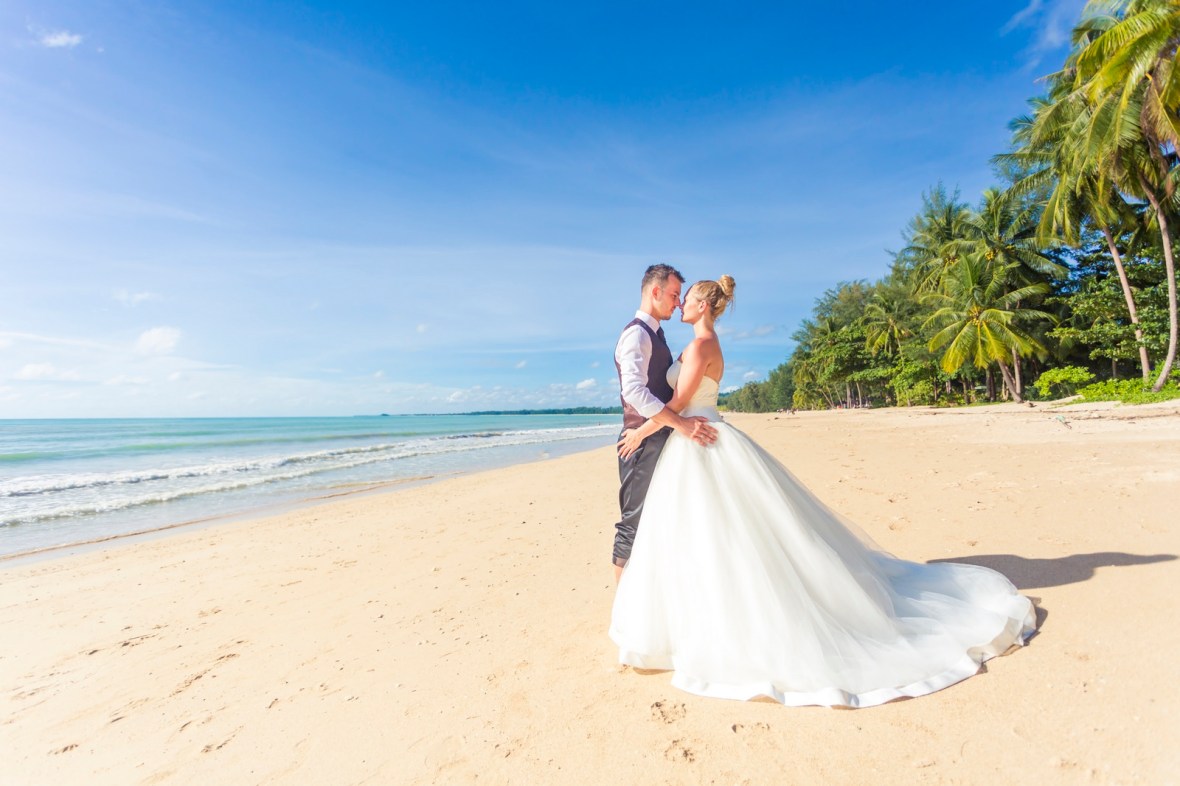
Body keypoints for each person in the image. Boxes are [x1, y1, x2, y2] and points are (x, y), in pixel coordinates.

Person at [610, 276, 1035, 708]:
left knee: (723, 536)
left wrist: (641, 432)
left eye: (686, 298)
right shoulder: (694, 342)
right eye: (676, 296)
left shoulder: (701, 345)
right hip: (697, 438)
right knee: (710, 535)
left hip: (697, 436)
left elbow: (680, 403)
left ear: (703, 305)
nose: (680, 303)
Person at [612, 264, 718, 584]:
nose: (678, 302)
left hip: (663, 440)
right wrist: (681, 425)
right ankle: (623, 604)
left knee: (660, 521)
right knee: (633, 524)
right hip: (640, 442)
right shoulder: (636, 334)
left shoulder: (657, 335)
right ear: (655, 292)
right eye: (673, 295)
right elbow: (634, 392)